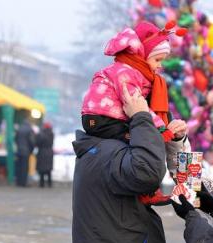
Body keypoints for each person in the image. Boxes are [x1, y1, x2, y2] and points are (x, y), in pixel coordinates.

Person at [72, 84, 168, 243]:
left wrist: (174, 141)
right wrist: (141, 118)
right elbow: (147, 172)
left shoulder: (99, 150)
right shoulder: (111, 154)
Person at [81, 20, 189, 205]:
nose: (160, 67)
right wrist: (142, 118)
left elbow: (189, 182)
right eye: (157, 60)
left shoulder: (156, 102)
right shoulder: (119, 99)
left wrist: (178, 140)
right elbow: (147, 173)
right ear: (141, 57)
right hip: (118, 223)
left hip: (142, 226)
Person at [15, 119, 35, 187]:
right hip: (26, 151)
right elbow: (32, 141)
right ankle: (23, 182)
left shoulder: (19, 129)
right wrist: (31, 150)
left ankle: (18, 182)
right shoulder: (30, 130)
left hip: (19, 151)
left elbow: (16, 139)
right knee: (24, 167)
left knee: (19, 167)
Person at [36, 122, 54, 188]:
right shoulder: (51, 134)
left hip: (42, 152)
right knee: (48, 169)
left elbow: (37, 143)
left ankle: (42, 183)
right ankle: (49, 183)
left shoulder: (41, 134)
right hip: (49, 152)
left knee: (42, 169)